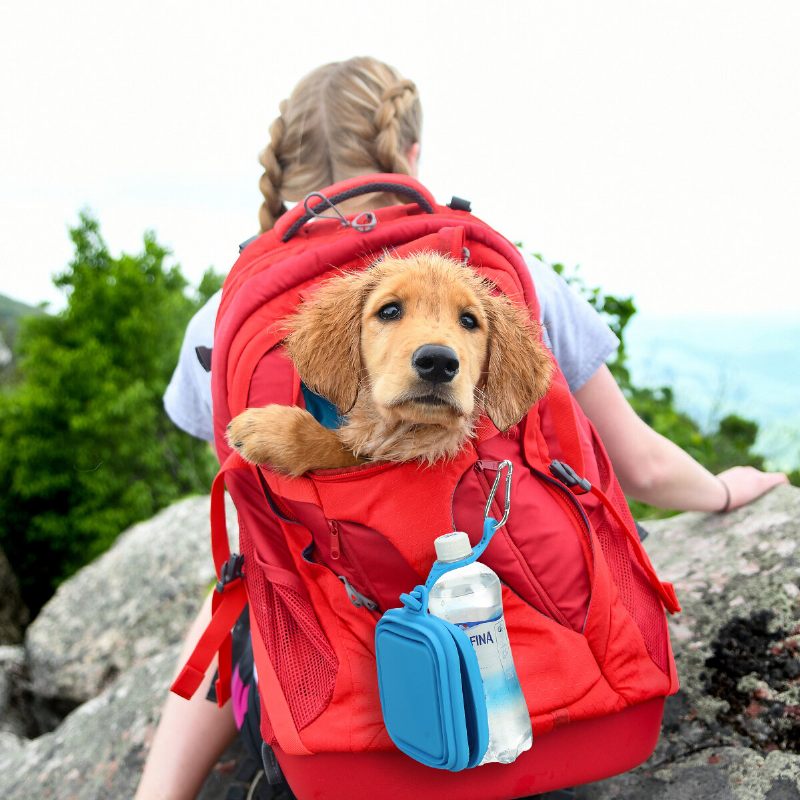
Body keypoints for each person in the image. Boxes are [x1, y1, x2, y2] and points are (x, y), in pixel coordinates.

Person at [135, 56, 789, 800]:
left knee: (245, 577)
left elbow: (253, 535)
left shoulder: (220, 316)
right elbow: (639, 465)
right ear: (411, 156)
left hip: (340, 731)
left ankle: (157, 794)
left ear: (282, 174)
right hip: (541, 690)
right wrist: (726, 492)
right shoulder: (509, 276)